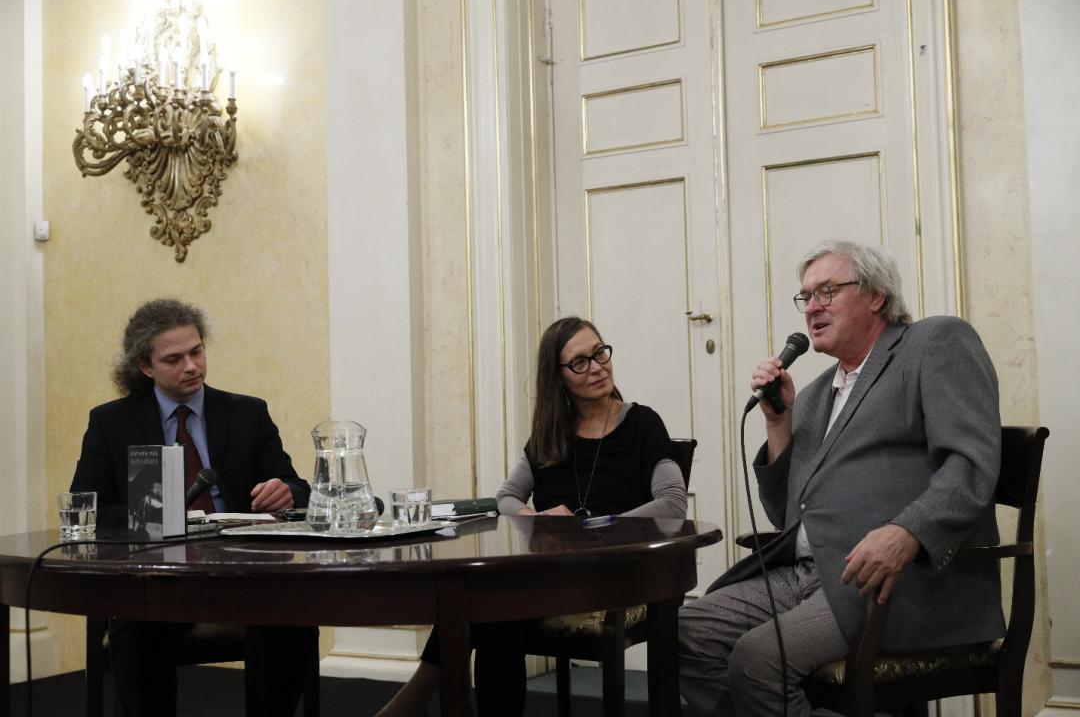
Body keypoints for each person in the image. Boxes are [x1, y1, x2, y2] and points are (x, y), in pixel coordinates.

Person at [678, 241, 1005, 716]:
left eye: (827, 291)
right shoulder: (814, 395)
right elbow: (786, 514)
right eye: (806, 296)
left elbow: (972, 463)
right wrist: (778, 424)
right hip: (803, 575)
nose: (812, 307)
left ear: (876, 294)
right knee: (686, 634)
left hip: (886, 581)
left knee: (756, 660)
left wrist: (908, 531)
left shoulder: (934, 343)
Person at [378, 316, 688, 716]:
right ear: (558, 377)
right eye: (580, 362)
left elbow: (672, 502)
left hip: (618, 572)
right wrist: (538, 519)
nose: (597, 367)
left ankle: (419, 693)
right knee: (488, 604)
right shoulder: (551, 435)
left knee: (491, 606)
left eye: (599, 353)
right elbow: (506, 498)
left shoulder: (643, 423)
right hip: (554, 574)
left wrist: (588, 530)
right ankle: (426, 694)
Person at [70, 298, 316, 717]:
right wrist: (152, 515)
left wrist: (286, 492)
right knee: (137, 628)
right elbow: (88, 507)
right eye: (174, 359)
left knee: (292, 620)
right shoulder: (112, 422)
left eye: (197, 351)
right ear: (145, 366)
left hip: (245, 574)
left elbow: (297, 487)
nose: (191, 366)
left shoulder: (247, 413)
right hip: (158, 578)